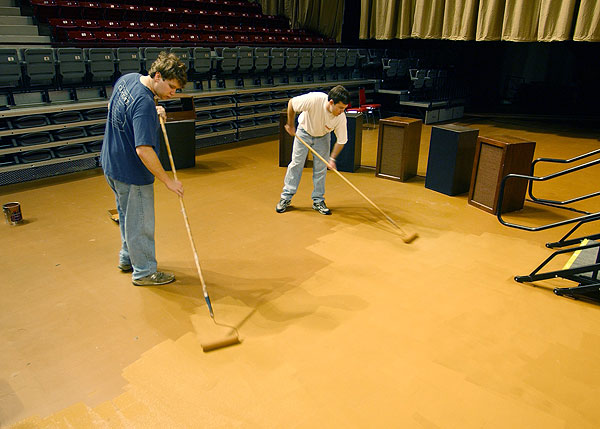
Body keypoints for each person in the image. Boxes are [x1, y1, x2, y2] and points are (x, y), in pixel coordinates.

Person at [101, 52, 187, 286]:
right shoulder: (144, 104)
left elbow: (114, 107)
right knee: (140, 222)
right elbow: (144, 150)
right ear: (157, 76)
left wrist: (154, 108)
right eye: (170, 87)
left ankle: (127, 258)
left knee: (128, 216)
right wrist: (168, 181)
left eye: (176, 89)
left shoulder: (128, 79)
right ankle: (145, 272)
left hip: (111, 164)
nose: (173, 93)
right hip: (132, 174)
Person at [276, 85, 350, 215]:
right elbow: (291, 103)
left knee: (321, 168)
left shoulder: (340, 117)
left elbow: (342, 141)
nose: (342, 111)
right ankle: (285, 198)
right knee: (296, 164)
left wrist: (332, 159)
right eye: (340, 108)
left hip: (323, 136)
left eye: (344, 108)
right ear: (331, 102)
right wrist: (291, 124)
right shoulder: (314, 99)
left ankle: (318, 201)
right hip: (304, 132)